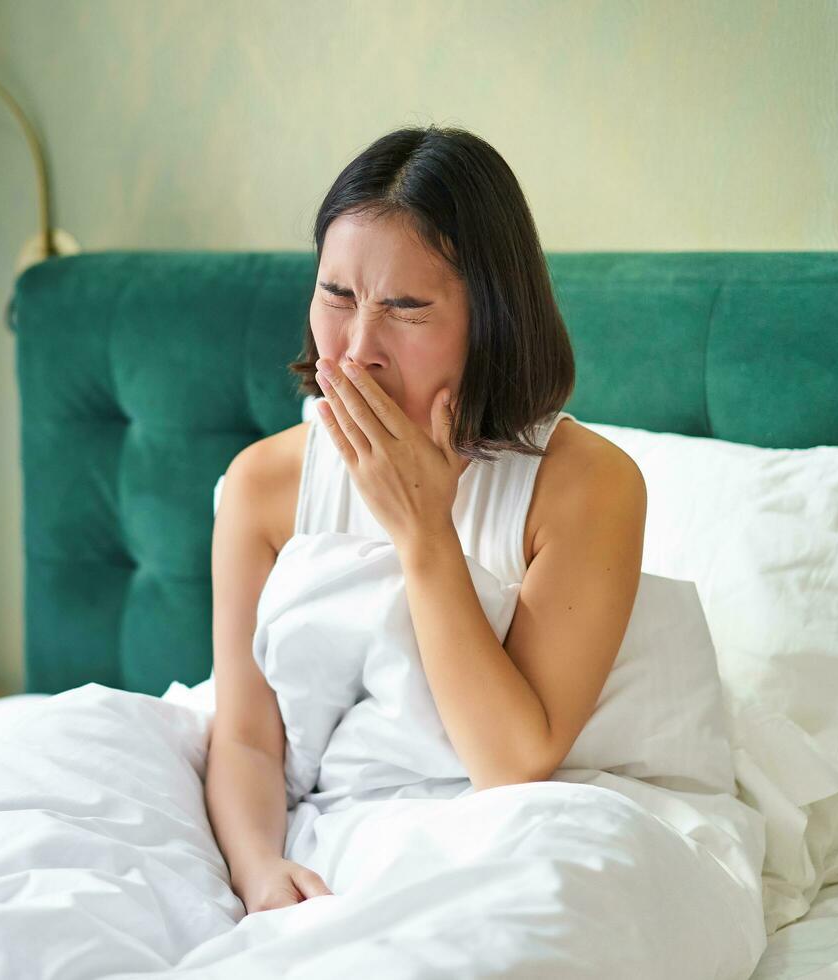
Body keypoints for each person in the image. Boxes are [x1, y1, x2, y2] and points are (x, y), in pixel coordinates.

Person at [205, 124, 647, 915]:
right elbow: (244, 735)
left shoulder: (590, 488)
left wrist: (424, 532)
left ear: (493, 317)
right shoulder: (262, 485)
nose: (358, 348)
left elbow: (513, 764)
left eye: (406, 308)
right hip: (313, 828)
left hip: (510, 828)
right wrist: (256, 868)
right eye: (336, 297)